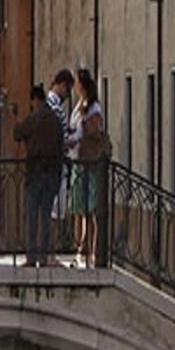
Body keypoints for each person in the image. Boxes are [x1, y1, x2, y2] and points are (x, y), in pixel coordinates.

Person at [15, 83, 65, 268]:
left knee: (32, 216)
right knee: (45, 216)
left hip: (35, 172)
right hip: (52, 174)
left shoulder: (34, 118)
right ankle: (43, 257)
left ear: (34, 100)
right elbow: (61, 145)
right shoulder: (55, 120)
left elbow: (17, 133)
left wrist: (18, 120)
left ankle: (31, 257)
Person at [70, 70, 107, 268]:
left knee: (91, 211)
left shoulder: (94, 108)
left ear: (82, 85)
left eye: (76, 83)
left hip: (91, 164)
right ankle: (79, 252)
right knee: (78, 210)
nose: (74, 87)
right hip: (78, 162)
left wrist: (82, 131)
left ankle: (92, 254)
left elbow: (95, 132)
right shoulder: (79, 106)